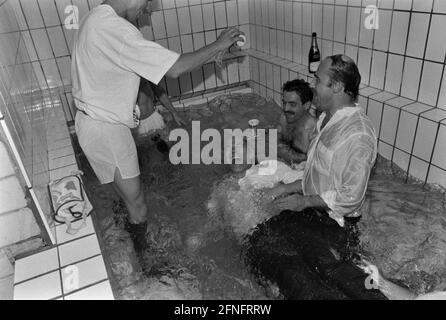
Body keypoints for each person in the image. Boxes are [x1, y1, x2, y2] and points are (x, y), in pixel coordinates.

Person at [72, 0, 244, 254]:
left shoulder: (94, 18)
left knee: (126, 197)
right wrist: (219, 43)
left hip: (91, 123)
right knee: (138, 204)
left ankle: (130, 242)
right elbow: (175, 68)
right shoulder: (114, 29)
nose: (148, 10)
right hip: (106, 128)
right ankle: (149, 266)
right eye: (148, 2)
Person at [247, 55, 382, 299]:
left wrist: (305, 201)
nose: (312, 85)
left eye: (317, 79)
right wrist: (284, 188)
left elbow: (350, 196)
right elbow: (319, 175)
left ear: (337, 87)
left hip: (337, 223)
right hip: (313, 214)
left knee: (312, 274)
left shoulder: (357, 134)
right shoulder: (325, 118)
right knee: (259, 242)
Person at [276, 79, 317, 165]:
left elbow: (313, 164)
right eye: (284, 103)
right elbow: (274, 140)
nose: (286, 109)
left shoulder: (313, 131)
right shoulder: (284, 118)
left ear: (306, 105)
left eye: (292, 104)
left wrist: (283, 152)